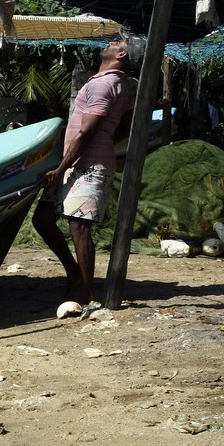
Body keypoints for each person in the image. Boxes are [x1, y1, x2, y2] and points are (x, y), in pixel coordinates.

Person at [31, 35, 141, 311]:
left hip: (85, 166)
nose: (112, 42)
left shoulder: (105, 84)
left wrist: (62, 167)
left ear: (122, 56)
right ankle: (74, 273)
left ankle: (87, 294)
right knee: (43, 219)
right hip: (81, 162)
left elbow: (87, 131)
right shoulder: (119, 85)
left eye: (119, 42)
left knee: (79, 228)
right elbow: (123, 126)